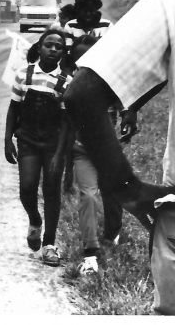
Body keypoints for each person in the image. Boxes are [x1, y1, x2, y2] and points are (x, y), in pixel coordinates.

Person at [64, 0, 175, 314]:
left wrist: (126, 186)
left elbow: (84, 92)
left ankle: (111, 231)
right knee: (90, 189)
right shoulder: (72, 28)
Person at [4, 28, 73, 266]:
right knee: (27, 186)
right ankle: (35, 220)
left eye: (59, 47)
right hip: (28, 140)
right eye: (49, 45)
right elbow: (14, 108)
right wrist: (7, 140)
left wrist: (60, 153)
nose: (53, 49)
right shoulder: (24, 74)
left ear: (63, 53)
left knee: (52, 189)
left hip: (54, 142)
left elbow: (66, 121)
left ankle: (50, 244)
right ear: (39, 48)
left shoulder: (66, 81)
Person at [66, 35, 125, 275]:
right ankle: (90, 251)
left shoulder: (110, 84)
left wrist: (129, 114)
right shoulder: (69, 85)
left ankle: (112, 233)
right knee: (88, 196)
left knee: (113, 194)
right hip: (82, 150)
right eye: (81, 59)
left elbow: (126, 104)